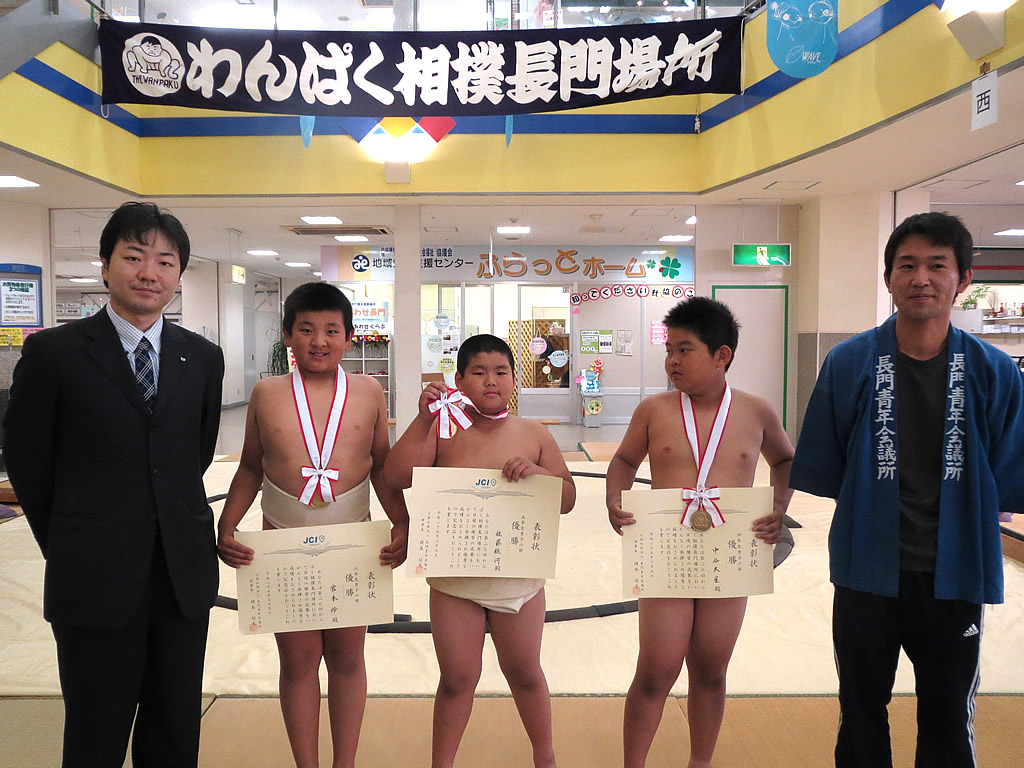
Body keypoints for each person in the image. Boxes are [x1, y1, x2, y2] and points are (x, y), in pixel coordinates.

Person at [790, 211, 1024, 768]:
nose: (922, 278)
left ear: (963, 279)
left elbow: (1008, 472)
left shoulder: (994, 371)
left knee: (948, 718)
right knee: (860, 709)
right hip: (866, 570)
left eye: (938, 265)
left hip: (955, 572)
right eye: (907, 265)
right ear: (888, 278)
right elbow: (829, 462)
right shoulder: (849, 362)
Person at [3, 202, 224, 767]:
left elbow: (194, 455)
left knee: (175, 726)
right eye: (134, 257)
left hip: (180, 572)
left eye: (165, 262)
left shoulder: (202, 358)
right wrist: (72, 540)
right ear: (105, 266)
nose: (149, 273)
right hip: (92, 573)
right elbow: (28, 464)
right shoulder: (54, 354)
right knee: (96, 729)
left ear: (179, 274)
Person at [216, 282, 408, 768]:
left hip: (354, 541)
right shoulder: (267, 392)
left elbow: (381, 466)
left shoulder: (368, 391)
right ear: (287, 335)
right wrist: (228, 524)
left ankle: (345, 763)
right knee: (298, 662)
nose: (319, 341)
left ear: (349, 337)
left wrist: (402, 522)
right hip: (282, 540)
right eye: (306, 330)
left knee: (348, 659)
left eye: (331, 330)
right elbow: (250, 467)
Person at [606, 296, 794, 768]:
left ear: (721, 355)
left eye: (684, 350)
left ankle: (700, 762)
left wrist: (779, 506)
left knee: (711, 667)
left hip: (730, 553)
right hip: (666, 549)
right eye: (668, 350)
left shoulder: (756, 411)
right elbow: (624, 460)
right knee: (657, 667)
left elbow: (785, 460)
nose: (672, 360)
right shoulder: (654, 410)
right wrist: (615, 499)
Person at [383, 333, 576, 768]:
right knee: (456, 680)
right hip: (455, 581)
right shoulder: (443, 430)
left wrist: (540, 474)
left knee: (525, 674)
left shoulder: (534, 433)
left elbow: (567, 499)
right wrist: (423, 420)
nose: (491, 381)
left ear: (514, 379)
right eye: (479, 372)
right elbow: (395, 475)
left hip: (519, 579)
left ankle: (545, 758)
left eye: (501, 372)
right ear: (459, 380)